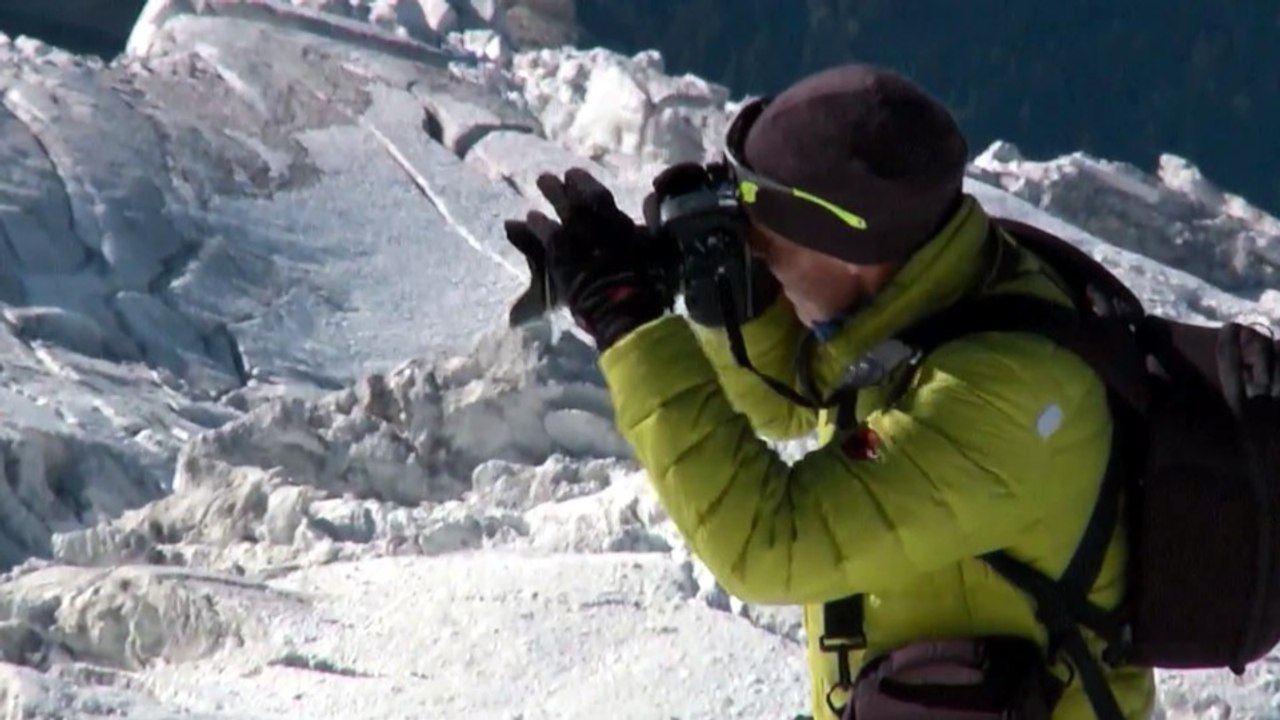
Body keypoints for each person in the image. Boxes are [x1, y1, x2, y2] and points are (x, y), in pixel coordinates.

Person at [503, 63, 1156, 719]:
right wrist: (732, 299)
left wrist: (628, 321)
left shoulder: (1002, 396)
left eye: (766, 248)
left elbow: (765, 542)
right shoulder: (942, 278)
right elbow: (794, 399)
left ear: (846, 250)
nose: (756, 255)